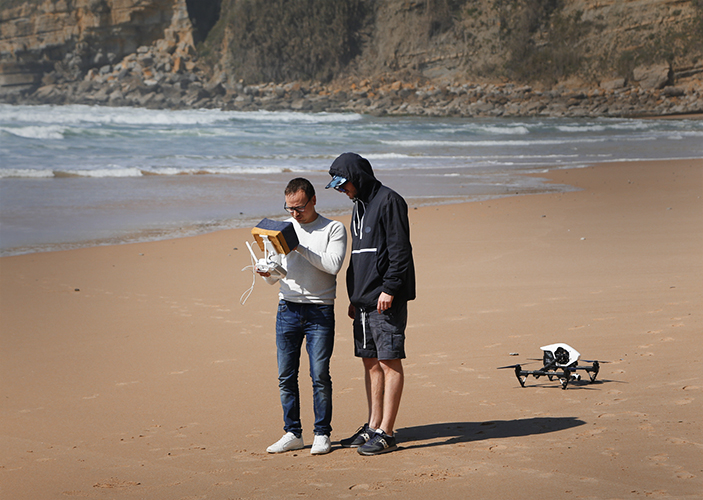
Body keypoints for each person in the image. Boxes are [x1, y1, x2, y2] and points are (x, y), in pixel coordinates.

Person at [325, 152, 415, 455]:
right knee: (371, 363)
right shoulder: (358, 207)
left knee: (389, 361)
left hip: (385, 299)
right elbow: (358, 257)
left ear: (357, 178)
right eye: (337, 186)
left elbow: (400, 251)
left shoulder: (390, 201)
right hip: (363, 300)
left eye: (343, 184)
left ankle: (387, 432)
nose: (341, 190)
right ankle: (373, 426)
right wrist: (354, 296)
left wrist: (390, 288)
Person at [259, 177, 347, 455]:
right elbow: (274, 278)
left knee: (319, 374)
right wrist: (266, 271)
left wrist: (298, 246)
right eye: (289, 208)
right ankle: (292, 433)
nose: (295, 214)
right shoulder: (281, 230)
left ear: (313, 200)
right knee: (286, 375)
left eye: (299, 207)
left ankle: (322, 433)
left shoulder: (333, 228)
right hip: (287, 308)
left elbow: (333, 265)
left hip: (320, 309)